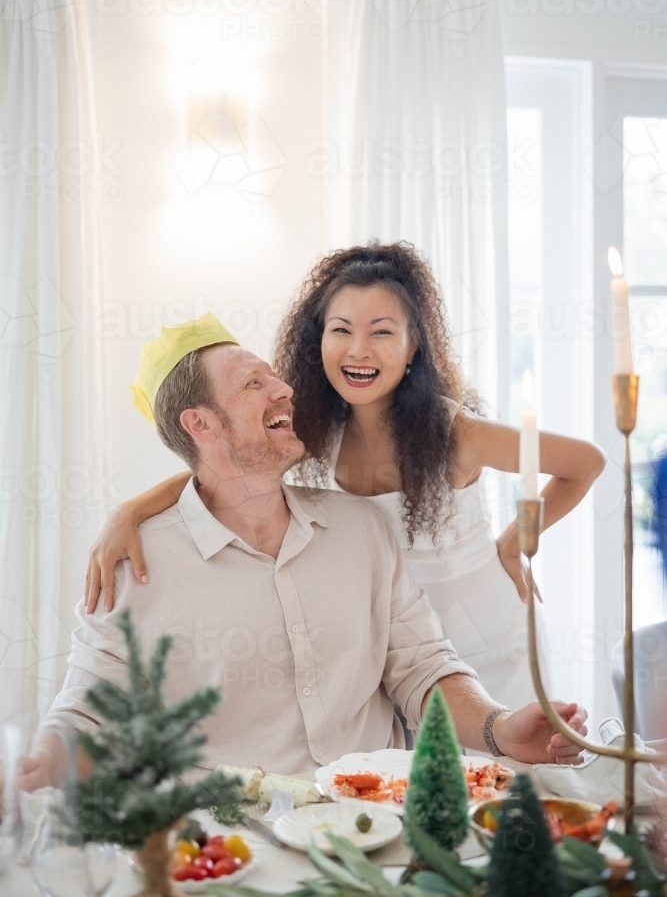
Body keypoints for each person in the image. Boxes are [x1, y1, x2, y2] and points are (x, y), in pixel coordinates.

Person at [20, 316, 588, 790]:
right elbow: (88, 712)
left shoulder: (362, 529)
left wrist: (499, 728)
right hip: (235, 848)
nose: (285, 389)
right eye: (252, 384)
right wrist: (41, 765)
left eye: (276, 377)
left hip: (382, 820)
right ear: (200, 424)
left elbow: (424, 670)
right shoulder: (134, 566)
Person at [85, 244, 606, 710]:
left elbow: (584, 462)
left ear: (413, 346)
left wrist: (516, 541)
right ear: (319, 342)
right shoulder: (314, 429)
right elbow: (228, 464)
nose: (359, 350)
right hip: (394, 647)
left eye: (382, 332)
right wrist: (129, 510)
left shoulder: (455, 433)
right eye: (341, 331)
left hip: (487, 640)